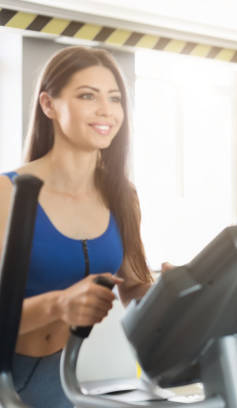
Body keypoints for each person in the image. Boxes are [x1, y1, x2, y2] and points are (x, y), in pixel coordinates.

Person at [0, 46, 154, 407]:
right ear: (48, 105)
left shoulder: (122, 195)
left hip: (56, 380)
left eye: (115, 99)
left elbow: (135, 287)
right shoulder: (7, 194)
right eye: (88, 95)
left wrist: (190, 292)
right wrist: (57, 305)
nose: (106, 111)